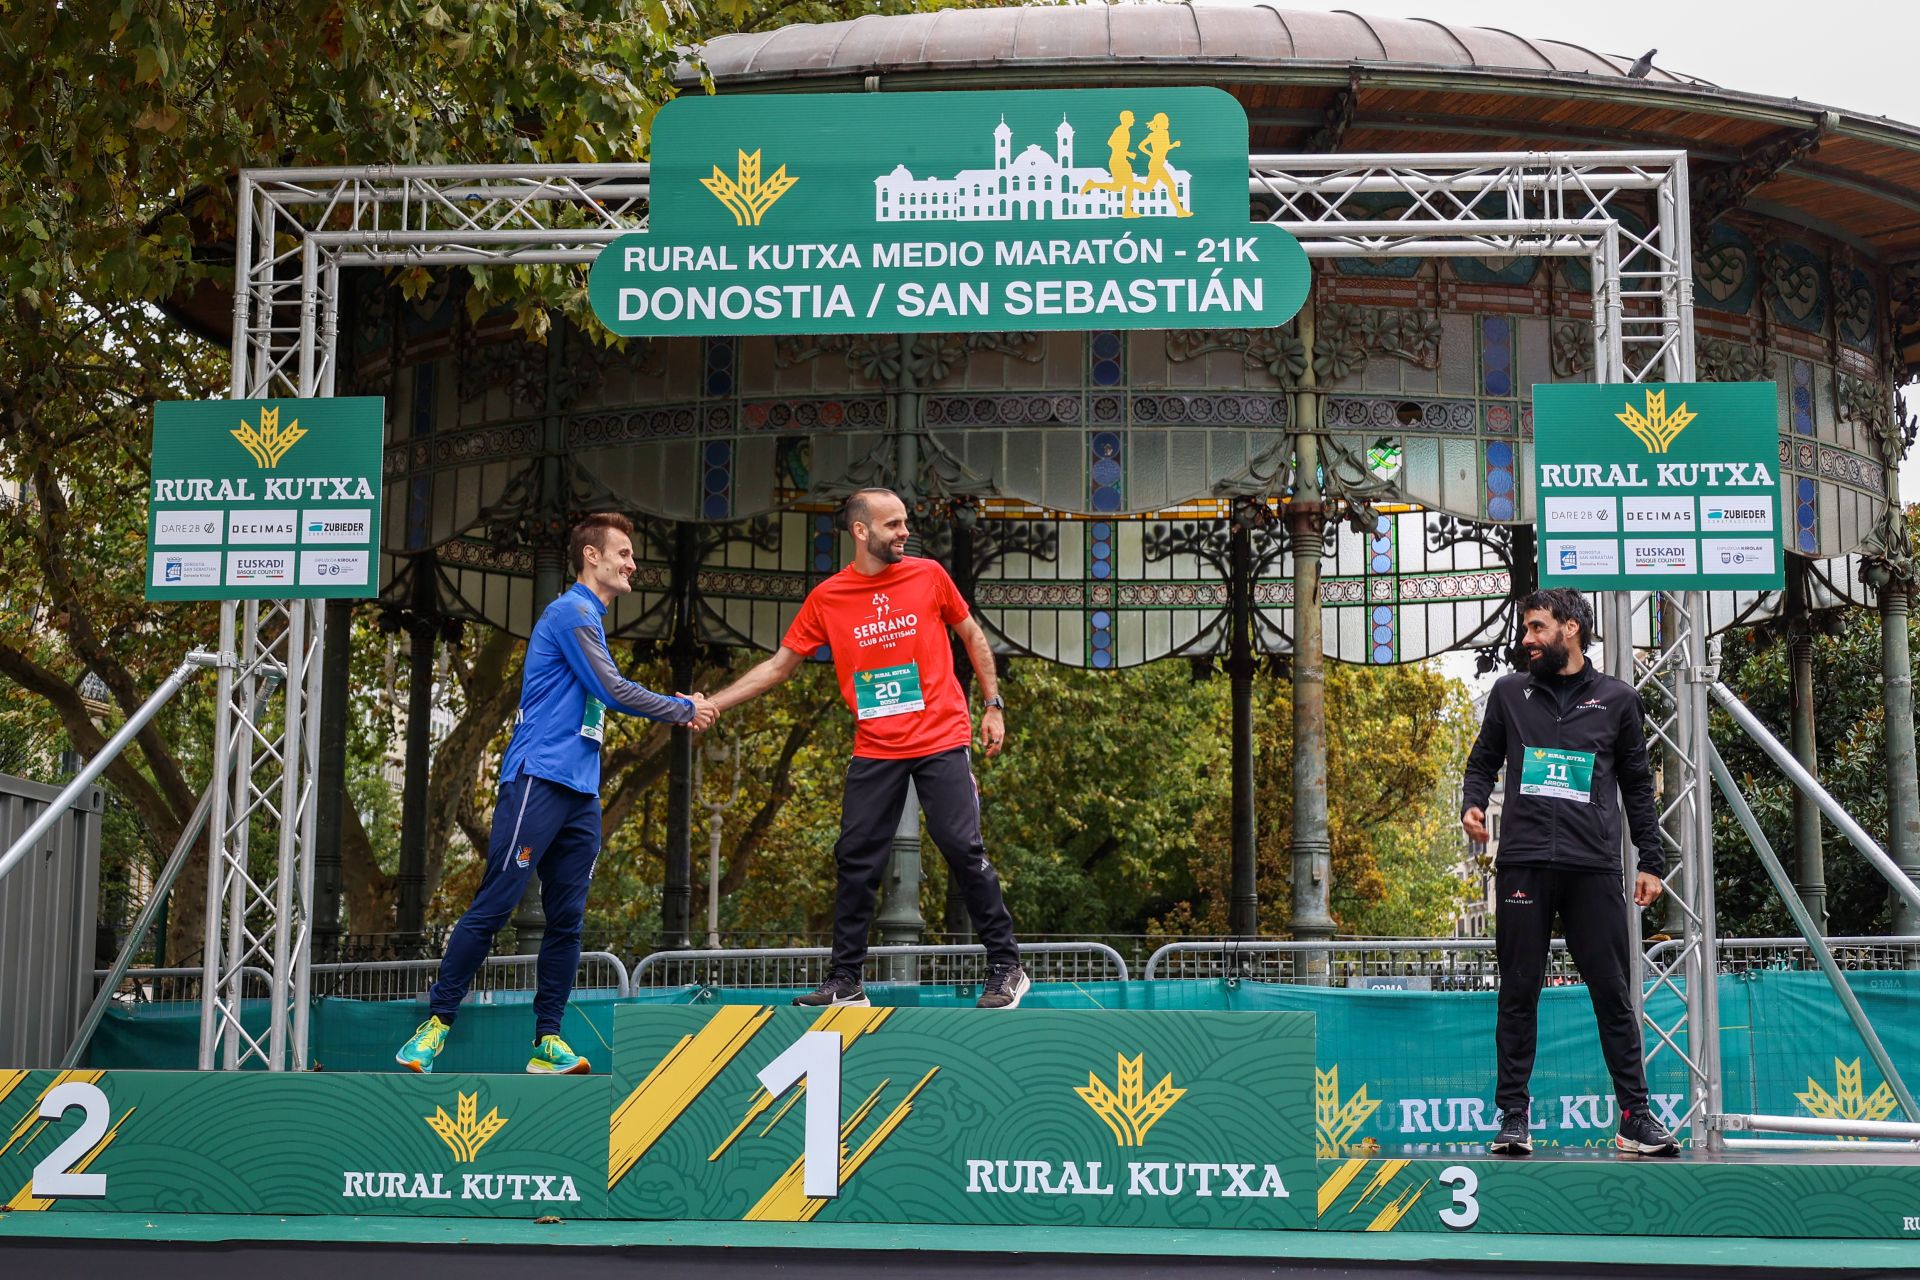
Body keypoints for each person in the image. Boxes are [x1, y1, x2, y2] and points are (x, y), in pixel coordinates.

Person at [397, 513, 717, 1075]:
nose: (632, 562)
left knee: (566, 921)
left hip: (581, 795)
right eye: (623, 552)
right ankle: (436, 1023)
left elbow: (602, 694)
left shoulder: (590, 620)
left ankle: (548, 1041)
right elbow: (611, 690)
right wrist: (683, 708)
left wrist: (681, 706)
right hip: (537, 781)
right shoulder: (569, 612)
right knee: (496, 904)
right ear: (591, 556)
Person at [706, 487, 1029, 1010]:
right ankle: (846, 980)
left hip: (941, 736)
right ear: (861, 531)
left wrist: (992, 705)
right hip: (877, 744)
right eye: (893, 525)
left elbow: (971, 634)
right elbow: (777, 666)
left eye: (905, 523)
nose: (905, 532)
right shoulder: (828, 597)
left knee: (960, 846)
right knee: (855, 859)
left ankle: (1007, 966)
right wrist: (714, 703)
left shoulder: (928, 576)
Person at [1460, 587, 1680, 1157]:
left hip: (1593, 869)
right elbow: (1483, 759)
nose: (1526, 640)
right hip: (1524, 866)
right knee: (1518, 992)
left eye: (1536, 629)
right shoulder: (1510, 693)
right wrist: (1474, 803)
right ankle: (1513, 1119)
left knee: (1613, 994)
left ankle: (1634, 1118)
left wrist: (1651, 863)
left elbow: (1637, 786)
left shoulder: (1618, 700)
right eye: (1526, 630)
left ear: (1570, 630)